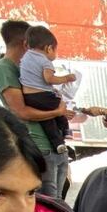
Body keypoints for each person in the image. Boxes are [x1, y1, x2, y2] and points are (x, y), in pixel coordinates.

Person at [0, 20, 70, 198]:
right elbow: (21, 111)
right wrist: (57, 112)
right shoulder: (4, 69)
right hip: (39, 146)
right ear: (26, 44)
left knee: (58, 200)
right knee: (48, 202)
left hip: (53, 143)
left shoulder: (26, 68)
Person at [18, 25, 75, 154]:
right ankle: (65, 131)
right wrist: (66, 78)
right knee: (61, 106)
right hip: (42, 95)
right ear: (49, 48)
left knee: (46, 120)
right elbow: (49, 79)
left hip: (28, 97)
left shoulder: (24, 58)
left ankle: (58, 144)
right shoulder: (45, 61)